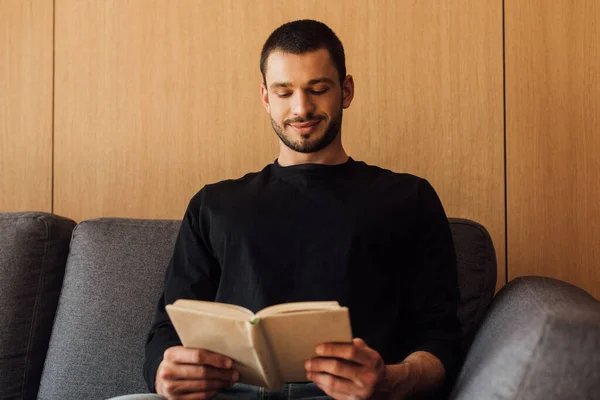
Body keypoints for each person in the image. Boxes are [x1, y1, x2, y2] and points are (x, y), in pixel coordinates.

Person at [137, 19, 461, 400]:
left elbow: (441, 337)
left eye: (318, 89)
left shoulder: (409, 198)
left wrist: (394, 379)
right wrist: (165, 373)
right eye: (284, 92)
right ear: (265, 98)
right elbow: (167, 328)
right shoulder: (213, 204)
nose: (301, 108)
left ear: (346, 90)